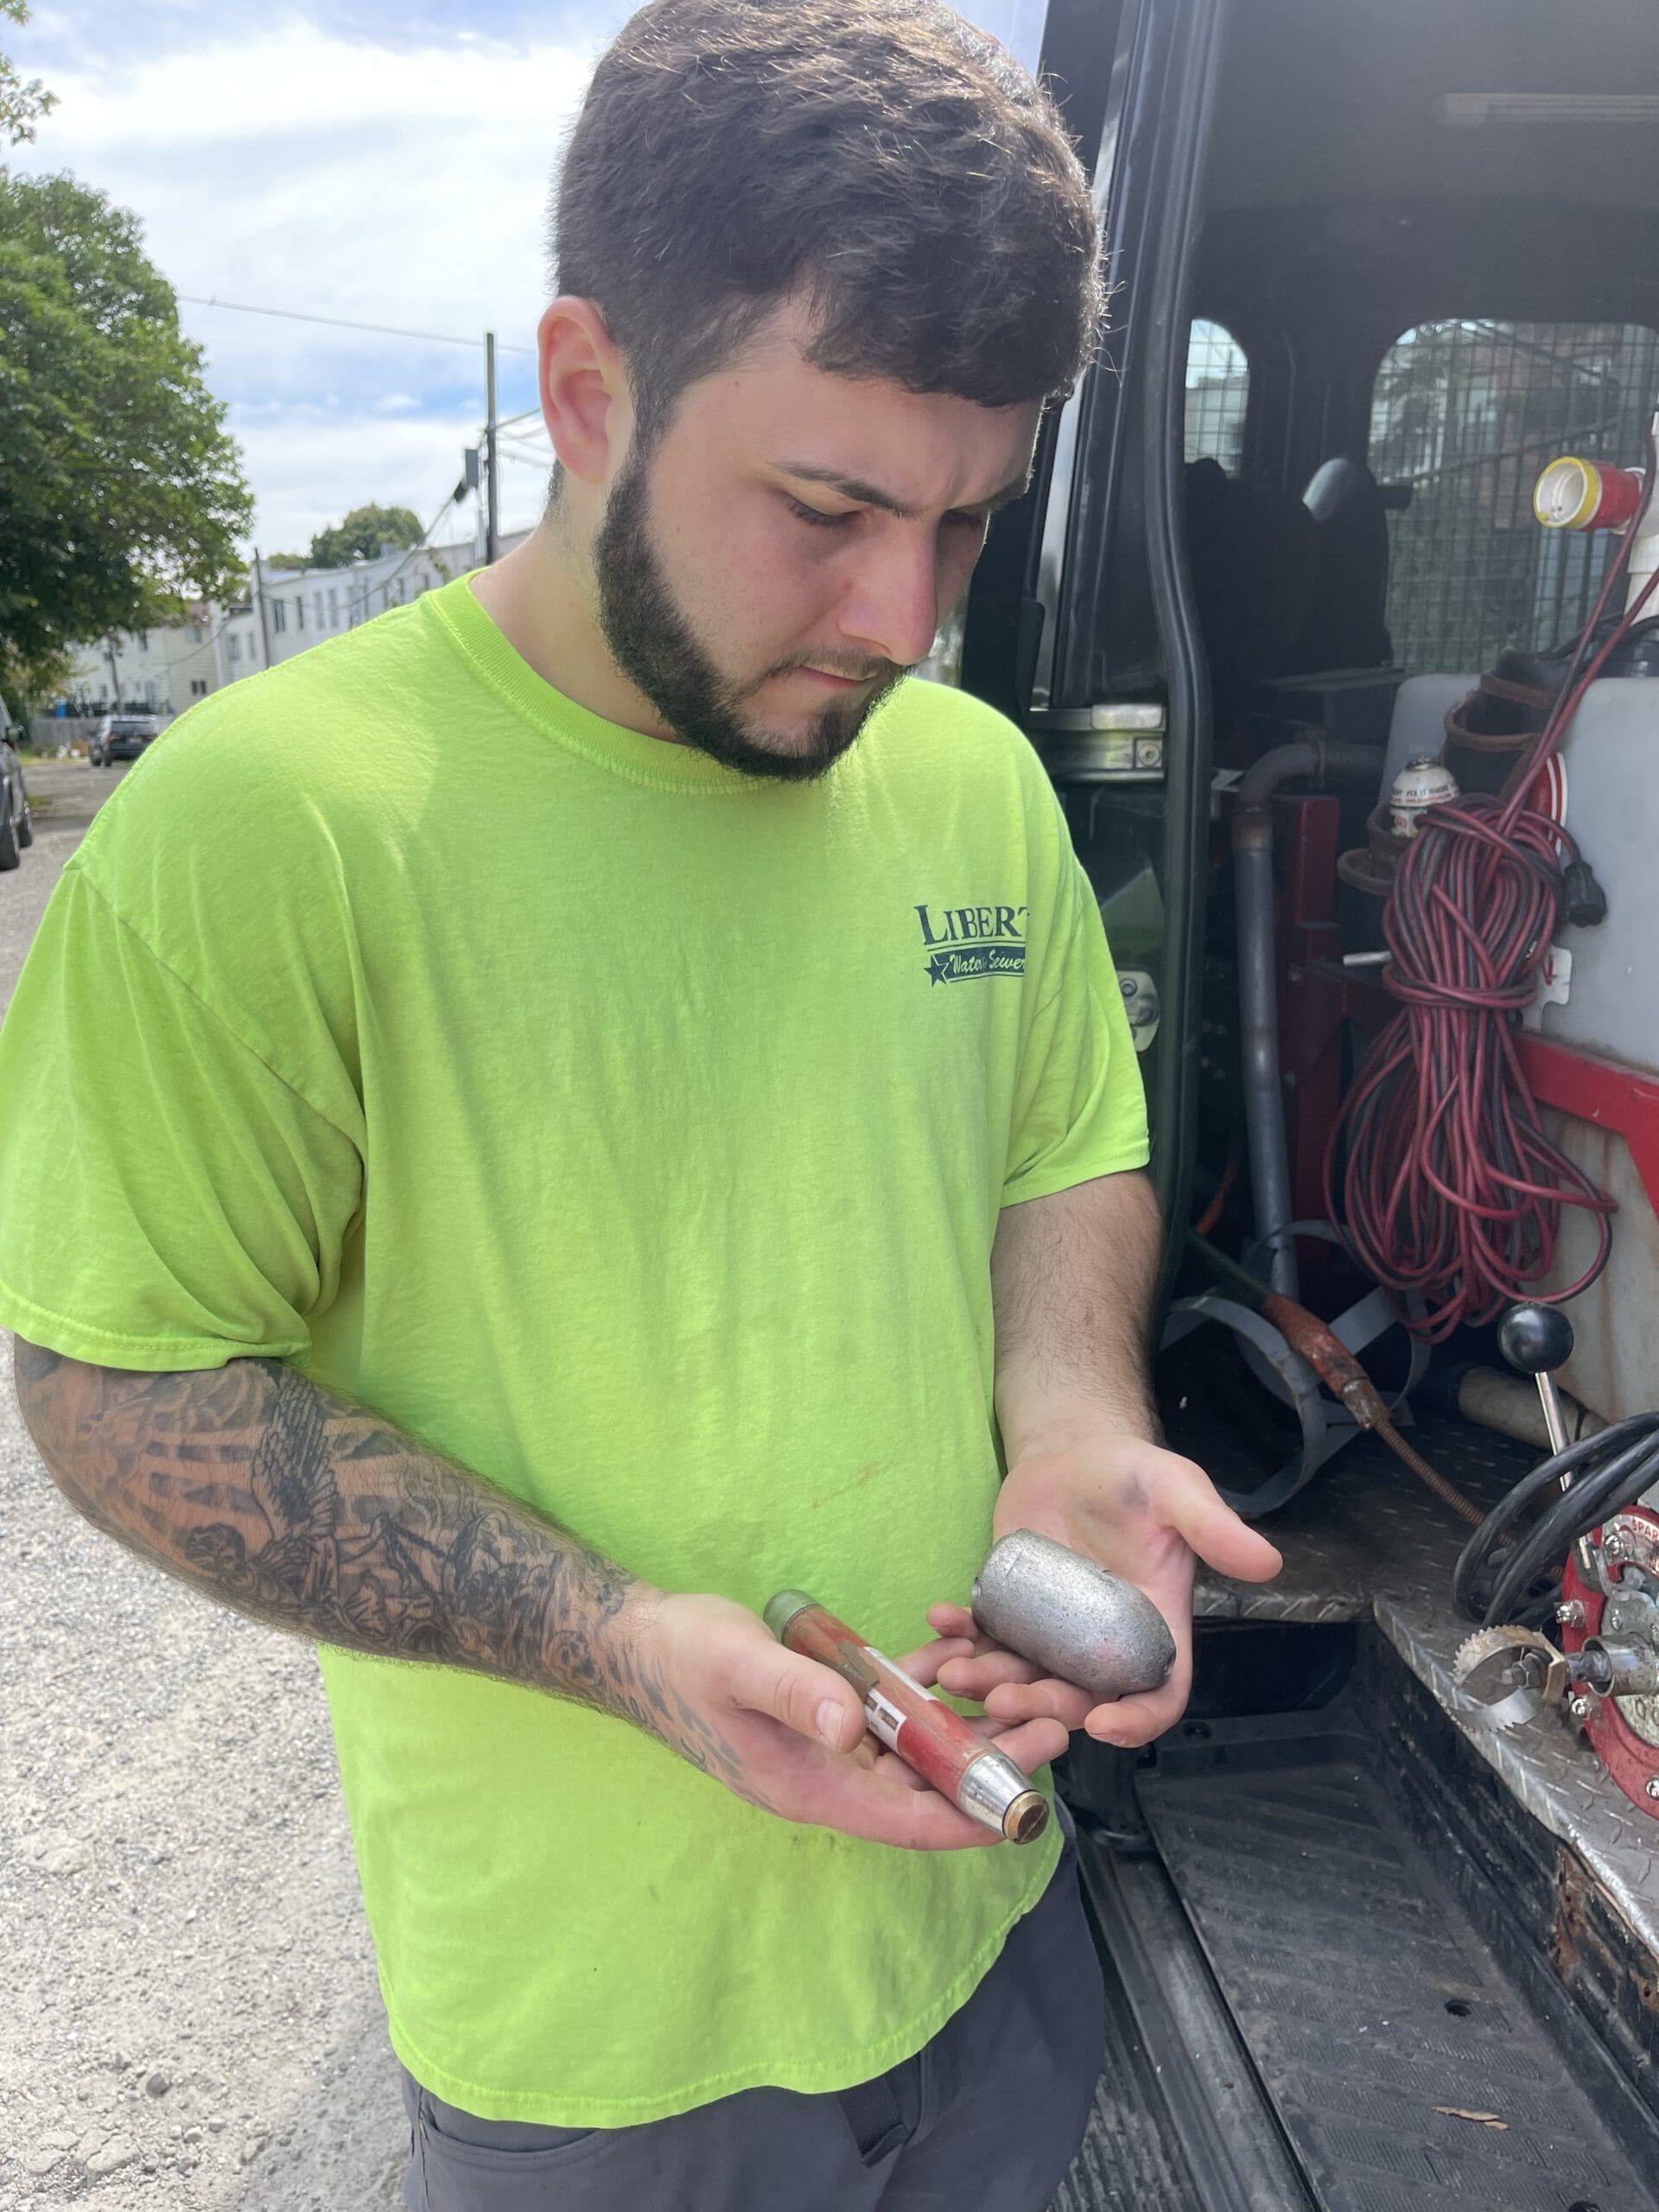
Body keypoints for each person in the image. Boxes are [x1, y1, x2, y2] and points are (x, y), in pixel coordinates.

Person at [0, 3, 1279, 2204]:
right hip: (605, 2057)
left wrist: (1071, 1420)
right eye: (828, 506)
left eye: (968, 523)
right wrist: (615, 1647)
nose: (903, 614)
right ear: (587, 393)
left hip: (990, 1919)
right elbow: (120, 1382)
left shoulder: (969, 780)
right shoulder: (277, 820)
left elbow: (1061, 1147)